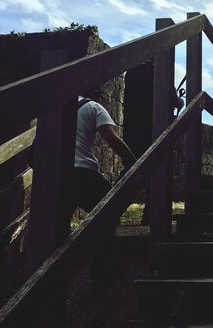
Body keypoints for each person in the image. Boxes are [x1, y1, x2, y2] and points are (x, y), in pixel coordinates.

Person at [66, 90, 137, 292]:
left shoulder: (59, 105)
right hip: (82, 173)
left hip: (57, 174)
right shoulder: (93, 107)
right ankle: (101, 271)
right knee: (109, 212)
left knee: (59, 224)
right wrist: (133, 161)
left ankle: (53, 277)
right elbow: (112, 139)